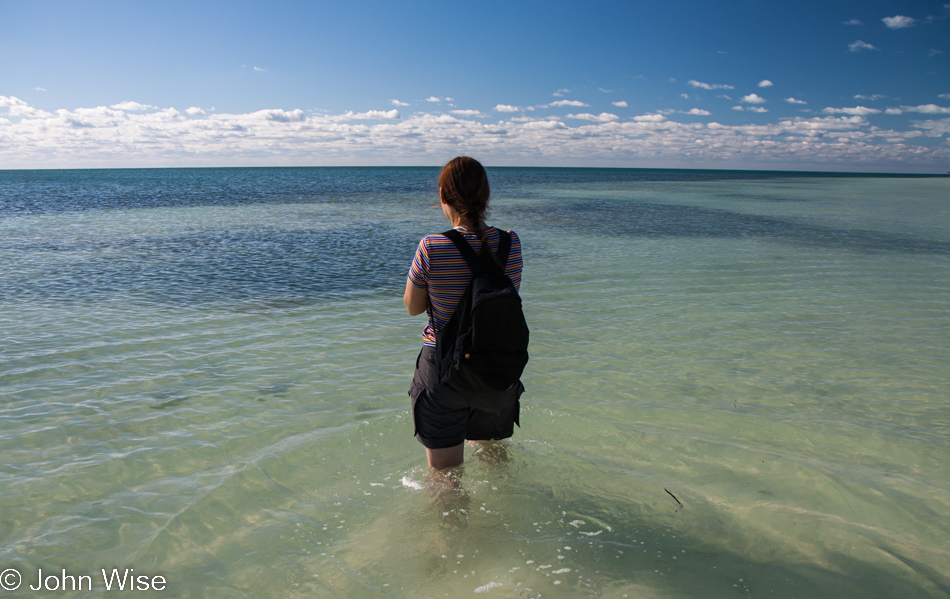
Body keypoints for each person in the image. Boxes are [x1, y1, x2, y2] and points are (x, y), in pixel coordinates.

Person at [404, 156, 525, 474]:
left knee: (446, 479)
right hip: (496, 369)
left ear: (442, 196)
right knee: (495, 465)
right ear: (486, 196)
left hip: (444, 372)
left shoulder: (432, 247)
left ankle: (453, 525)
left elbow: (413, 307)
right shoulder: (510, 243)